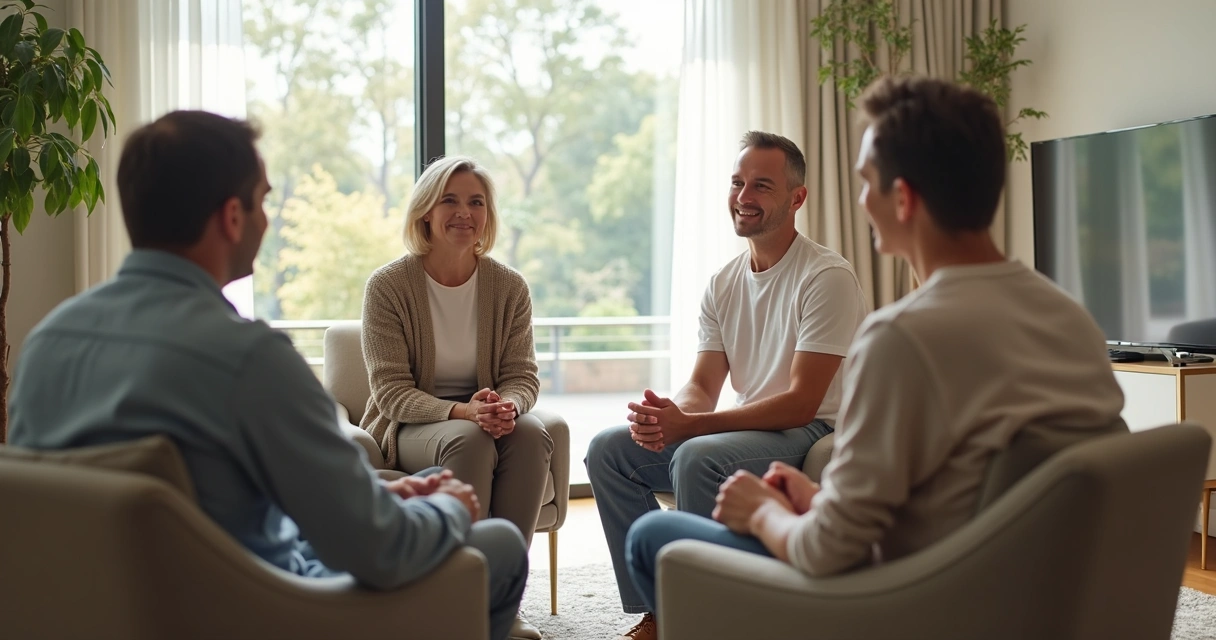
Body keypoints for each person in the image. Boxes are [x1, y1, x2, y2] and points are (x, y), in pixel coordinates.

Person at [7, 111, 528, 640]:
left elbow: (216, 502)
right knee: (501, 544)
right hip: (270, 610)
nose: (266, 220)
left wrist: (379, 497)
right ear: (233, 217)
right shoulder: (248, 357)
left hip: (130, 609)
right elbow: (379, 551)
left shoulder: (48, 341)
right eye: (263, 201)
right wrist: (446, 509)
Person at [624, 76, 1126, 620]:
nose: (862, 202)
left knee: (653, 534)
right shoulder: (1070, 318)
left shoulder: (902, 337)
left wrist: (764, 512)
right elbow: (957, 493)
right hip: (1005, 589)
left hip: (908, 603)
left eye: (866, 183)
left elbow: (826, 550)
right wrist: (817, 502)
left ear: (903, 198)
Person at [586, 131, 868, 639]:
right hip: (747, 429)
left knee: (699, 456)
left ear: (796, 198)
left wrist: (691, 428)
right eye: (738, 182)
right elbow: (702, 385)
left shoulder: (826, 277)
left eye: (761, 185)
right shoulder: (723, 280)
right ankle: (660, 610)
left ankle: (709, 617)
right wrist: (667, 416)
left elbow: (803, 402)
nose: (743, 197)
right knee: (608, 450)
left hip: (808, 430)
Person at [359, 155, 552, 639]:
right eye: (450, 200)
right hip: (413, 426)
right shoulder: (388, 286)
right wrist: (463, 410)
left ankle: (504, 597)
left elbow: (522, 375)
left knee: (530, 433)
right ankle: (455, 599)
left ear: (488, 214)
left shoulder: (508, 286)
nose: (464, 212)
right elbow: (390, 392)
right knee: (470, 439)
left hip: (484, 417)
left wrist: (508, 406)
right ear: (426, 211)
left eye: (476, 202)